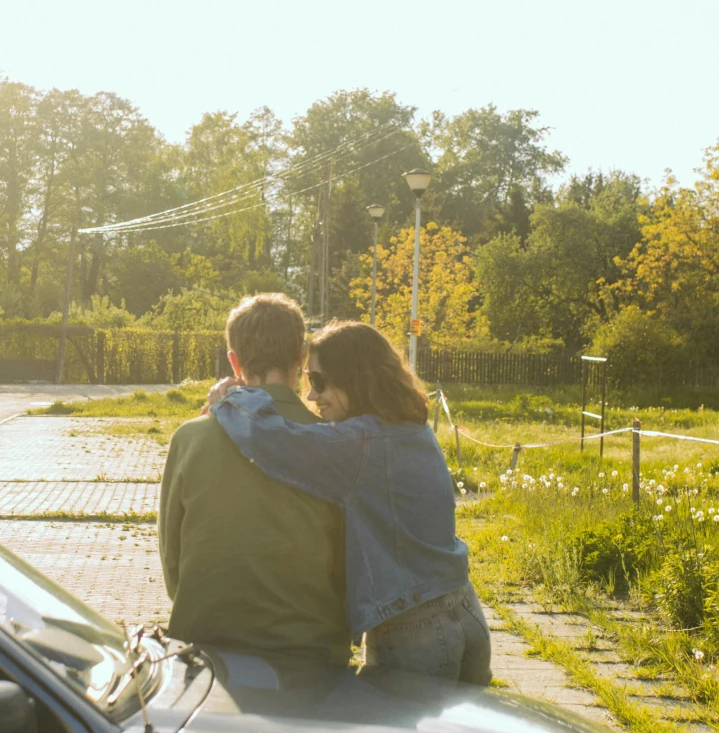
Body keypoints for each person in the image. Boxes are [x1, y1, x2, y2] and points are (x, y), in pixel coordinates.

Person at [207, 319, 491, 684]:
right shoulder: (411, 427)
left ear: (355, 378)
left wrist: (228, 401)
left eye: (320, 381)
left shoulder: (362, 447)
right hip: (464, 609)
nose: (311, 396)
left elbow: (273, 442)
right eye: (308, 380)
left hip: (414, 630)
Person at [158, 292, 350, 670]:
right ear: (300, 356)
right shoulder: (334, 442)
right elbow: (349, 567)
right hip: (310, 655)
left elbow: (172, 563)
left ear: (234, 360)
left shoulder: (189, 438)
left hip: (206, 649)